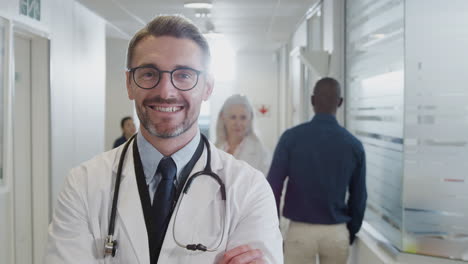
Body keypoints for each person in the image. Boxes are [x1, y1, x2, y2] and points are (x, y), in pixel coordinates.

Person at [46, 15, 282, 264]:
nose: (166, 91)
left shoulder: (248, 190)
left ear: (207, 87)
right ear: (129, 83)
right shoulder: (83, 185)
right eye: (149, 74)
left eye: (184, 75)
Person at [267, 77, 367, 264]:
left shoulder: (291, 139)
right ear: (340, 102)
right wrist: (350, 230)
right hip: (336, 232)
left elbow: (273, 186)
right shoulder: (354, 145)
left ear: (312, 101)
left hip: (299, 233)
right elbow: (359, 197)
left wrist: (273, 229)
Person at [215, 94, 271, 175]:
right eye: (233, 117)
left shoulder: (261, 153)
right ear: (223, 118)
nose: (238, 123)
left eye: (243, 117)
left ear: (250, 119)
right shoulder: (214, 150)